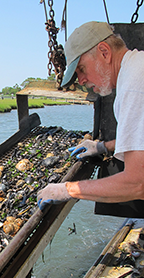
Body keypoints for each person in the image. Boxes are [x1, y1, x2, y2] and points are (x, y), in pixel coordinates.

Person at [37, 21, 144, 211]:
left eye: (82, 69)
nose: (82, 81)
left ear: (104, 52)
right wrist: (102, 146)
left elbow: (138, 183)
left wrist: (68, 189)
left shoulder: (134, 85)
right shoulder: (136, 68)